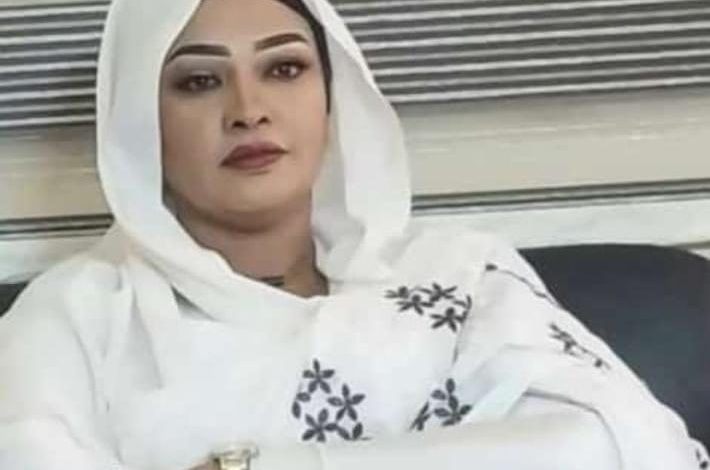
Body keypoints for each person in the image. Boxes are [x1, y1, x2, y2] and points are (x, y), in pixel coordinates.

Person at [0, 0, 706, 469]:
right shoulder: (77, 316)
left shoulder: (459, 275)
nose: (248, 110)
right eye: (199, 82)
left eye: (284, 69)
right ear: (139, 122)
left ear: (332, 101)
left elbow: (625, 445)